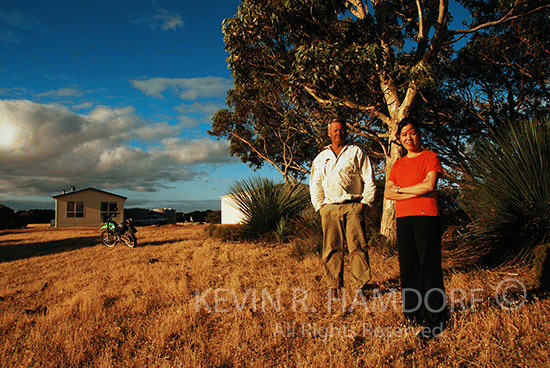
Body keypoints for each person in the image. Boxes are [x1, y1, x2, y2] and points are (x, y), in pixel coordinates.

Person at [384, 118, 447, 339]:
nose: (408, 138)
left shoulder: (430, 157)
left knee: (429, 269)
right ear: (399, 140)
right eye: (403, 135)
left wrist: (402, 190)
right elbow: (388, 193)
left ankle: (435, 320)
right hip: (403, 219)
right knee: (409, 269)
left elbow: (430, 185)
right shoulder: (398, 164)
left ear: (419, 134)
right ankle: (413, 315)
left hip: (426, 216)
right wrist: (414, 190)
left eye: (412, 133)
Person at [310, 117, 377, 297]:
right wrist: (320, 207)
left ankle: (360, 287)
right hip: (330, 209)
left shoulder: (356, 152)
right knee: (331, 248)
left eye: (341, 130)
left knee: (357, 246)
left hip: (353, 206)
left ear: (346, 132)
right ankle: (333, 286)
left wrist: (364, 203)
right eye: (335, 130)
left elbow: (368, 178)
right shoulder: (321, 157)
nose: (338, 133)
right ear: (329, 133)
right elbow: (315, 184)